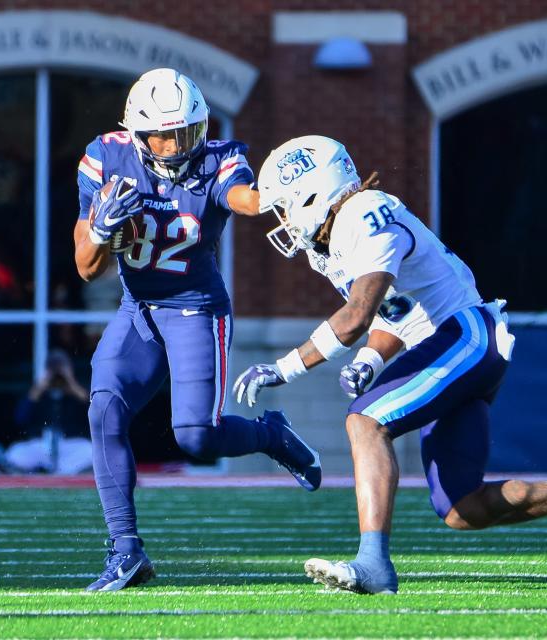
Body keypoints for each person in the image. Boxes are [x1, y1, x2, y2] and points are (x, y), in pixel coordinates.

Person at [233, 135, 547, 595]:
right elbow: (398, 313)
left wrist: (285, 367)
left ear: (313, 194)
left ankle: (373, 564)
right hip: (450, 343)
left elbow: (358, 314)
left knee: (365, 421)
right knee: (462, 507)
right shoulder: (336, 238)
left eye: (285, 207)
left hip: (465, 336)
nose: (284, 221)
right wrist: (371, 358)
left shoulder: (364, 213)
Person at [73, 68, 321, 593]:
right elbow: (86, 267)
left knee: (195, 437)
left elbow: (244, 198)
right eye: (164, 134)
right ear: (137, 132)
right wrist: (99, 228)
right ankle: (125, 551)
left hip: (195, 307)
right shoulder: (106, 156)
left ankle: (269, 434)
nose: (176, 145)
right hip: (138, 306)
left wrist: (279, 195)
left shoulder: (217, 158)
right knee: (103, 410)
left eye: (187, 132)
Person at [0, 349, 93, 474]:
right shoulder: (36, 393)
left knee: (90, 450)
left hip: (69, 444)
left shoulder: (78, 392)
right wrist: (39, 388)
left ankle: (67, 471)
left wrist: (72, 384)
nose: (57, 376)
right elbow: (20, 418)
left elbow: (95, 413)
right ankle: (18, 470)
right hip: (41, 445)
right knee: (15, 452)